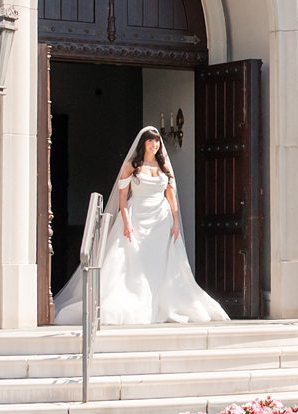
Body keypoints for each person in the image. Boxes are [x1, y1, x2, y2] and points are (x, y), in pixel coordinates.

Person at [52, 127, 228, 326]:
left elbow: (171, 196)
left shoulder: (165, 167)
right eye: (150, 141)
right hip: (137, 216)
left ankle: (162, 302)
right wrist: (126, 222)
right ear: (143, 143)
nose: (155, 145)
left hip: (161, 219)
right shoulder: (131, 165)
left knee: (161, 262)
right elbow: (122, 198)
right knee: (132, 260)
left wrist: (176, 221)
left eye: (157, 141)